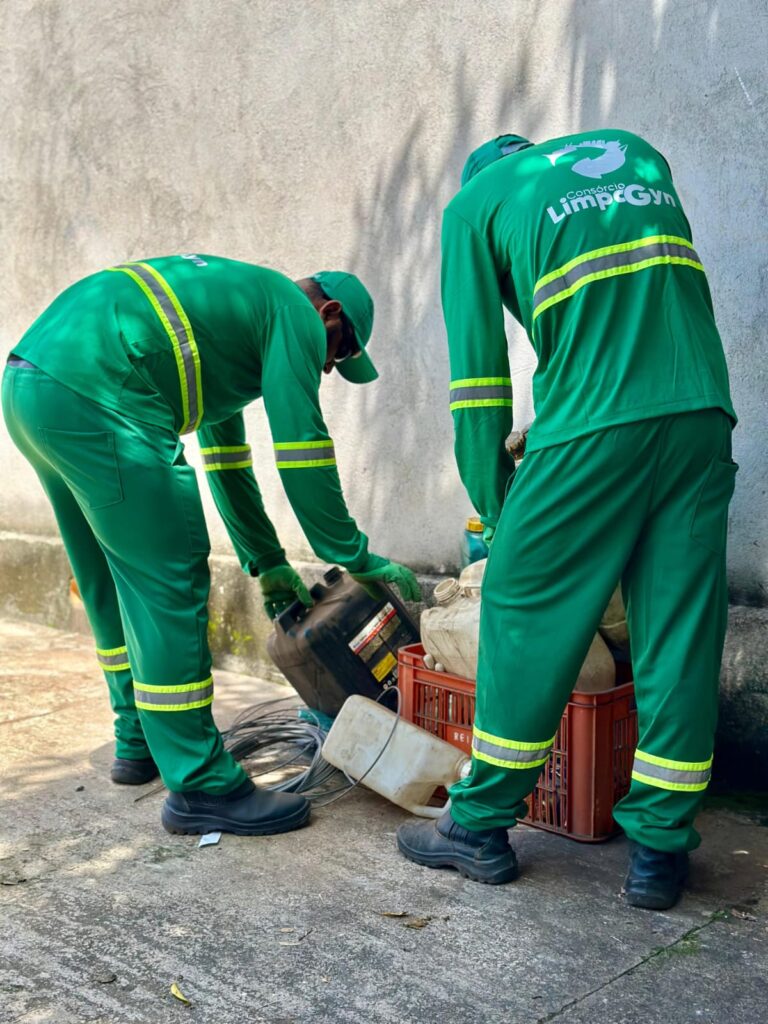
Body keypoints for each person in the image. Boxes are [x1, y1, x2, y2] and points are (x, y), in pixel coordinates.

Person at [396, 131, 737, 910]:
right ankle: (659, 851)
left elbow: (479, 384)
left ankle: (478, 825)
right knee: (680, 629)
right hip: (701, 415)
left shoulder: (473, 207)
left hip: (591, 427)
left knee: (522, 609)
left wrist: (499, 507)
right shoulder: (637, 153)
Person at [2, 255, 420, 837]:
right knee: (168, 577)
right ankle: (201, 785)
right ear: (328, 316)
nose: (327, 368)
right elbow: (303, 448)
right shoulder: (291, 316)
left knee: (105, 573)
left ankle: (137, 735)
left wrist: (267, 561)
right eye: (340, 354)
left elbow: (227, 461)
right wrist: (355, 555)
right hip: (103, 390)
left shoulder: (236, 319)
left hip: (33, 382)